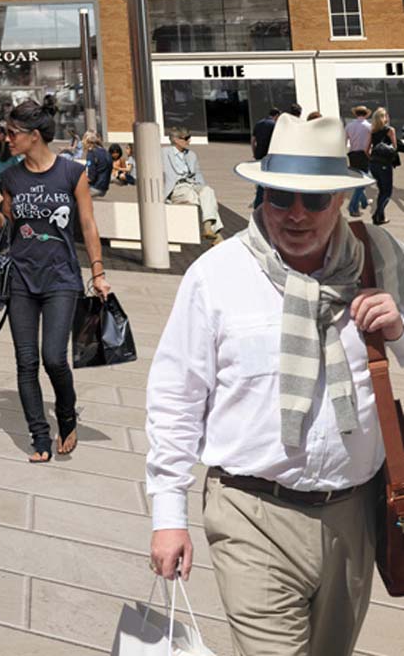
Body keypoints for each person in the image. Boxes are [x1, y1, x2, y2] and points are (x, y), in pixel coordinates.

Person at [146, 113, 404, 655]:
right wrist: (169, 516)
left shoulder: (379, 258)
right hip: (251, 514)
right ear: (261, 194)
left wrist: (400, 331)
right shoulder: (217, 275)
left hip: (353, 515)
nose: (296, 214)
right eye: (280, 196)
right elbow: (176, 397)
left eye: (314, 200)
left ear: (341, 199)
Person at [0, 101, 111, 462]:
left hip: (61, 278)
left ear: (34, 135)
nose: (5, 139)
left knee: (54, 358)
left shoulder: (72, 173)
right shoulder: (11, 177)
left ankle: (66, 415)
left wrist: (98, 272)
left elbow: (87, 224)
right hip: (21, 279)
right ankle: (39, 435)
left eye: (12, 133)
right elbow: (7, 230)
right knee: (26, 362)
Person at [163, 127, 223, 244]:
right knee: (204, 200)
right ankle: (215, 234)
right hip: (176, 188)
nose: (189, 141)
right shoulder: (164, 152)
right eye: (186, 138)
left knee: (208, 191)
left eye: (189, 138)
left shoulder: (191, 155)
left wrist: (205, 193)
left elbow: (198, 174)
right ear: (175, 139)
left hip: (192, 184)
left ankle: (208, 228)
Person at [370, 107, 395, 225]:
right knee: (387, 192)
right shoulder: (390, 130)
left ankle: (381, 216)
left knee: (381, 191)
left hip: (373, 164)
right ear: (384, 118)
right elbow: (394, 147)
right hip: (384, 164)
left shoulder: (373, 131)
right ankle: (377, 215)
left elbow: (366, 149)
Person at [347, 105, 373, 215]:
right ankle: (353, 207)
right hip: (364, 154)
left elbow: (344, 140)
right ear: (366, 114)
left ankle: (364, 202)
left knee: (358, 180)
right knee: (363, 181)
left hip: (353, 154)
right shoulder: (369, 126)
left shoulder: (349, 126)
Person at [82, 132, 112, 198]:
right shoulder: (105, 152)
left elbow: (91, 177)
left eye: (83, 141)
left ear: (88, 142)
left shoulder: (91, 153)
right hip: (104, 186)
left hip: (96, 187)